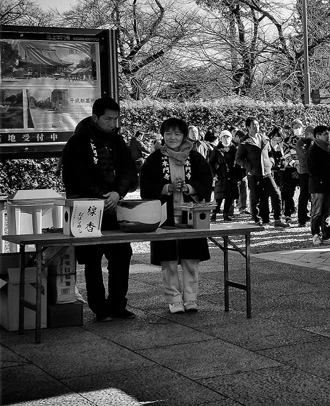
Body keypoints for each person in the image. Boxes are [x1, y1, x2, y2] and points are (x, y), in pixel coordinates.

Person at [60, 97, 139, 322]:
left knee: (122, 255)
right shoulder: (78, 142)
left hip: (115, 206)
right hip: (88, 208)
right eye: (108, 119)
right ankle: (99, 308)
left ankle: (118, 304)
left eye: (116, 119)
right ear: (95, 117)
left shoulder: (118, 141)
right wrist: (100, 196)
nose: (113, 124)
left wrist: (117, 193)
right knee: (93, 258)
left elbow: (128, 171)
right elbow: (77, 176)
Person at [140, 117, 214, 313]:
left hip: (191, 216)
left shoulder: (196, 157)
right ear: (163, 135)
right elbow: (146, 185)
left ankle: (191, 298)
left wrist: (189, 187)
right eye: (168, 133)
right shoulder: (154, 159)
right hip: (166, 217)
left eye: (177, 134)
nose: (172, 137)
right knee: (169, 260)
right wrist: (166, 188)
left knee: (191, 259)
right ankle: (173, 298)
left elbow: (206, 180)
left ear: (184, 136)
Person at [236, 117, 287, 228]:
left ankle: (278, 219)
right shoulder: (244, 142)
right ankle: (258, 220)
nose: (256, 127)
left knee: (276, 193)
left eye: (257, 124)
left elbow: (270, 153)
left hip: (267, 172)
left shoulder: (264, 138)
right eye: (254, 125)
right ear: (248, 127)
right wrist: (249, 166)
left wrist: (271, 162)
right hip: (254, 173)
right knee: (256, 198)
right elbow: (239, 159)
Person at [307, 125, 330, 246]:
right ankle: (315, 234)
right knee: (317, 211)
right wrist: (321, 180)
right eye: (325, 134)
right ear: (318, 136)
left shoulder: (328, 149)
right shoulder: (313, 149)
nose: (327, 136)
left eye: (328, 133)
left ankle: (326, 234)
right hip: (318, 186)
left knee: (327, 211)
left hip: (329, 185)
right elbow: (312, 168)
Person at [209, 130, 233, 221]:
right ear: (221, 138)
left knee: (229, 196)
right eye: (224, 137)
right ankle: (214, 213)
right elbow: (211, 163)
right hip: (220, 174)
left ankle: (226, 213)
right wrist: (214, 174)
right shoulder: (216, 149)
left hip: (231, 175)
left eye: (228, 137)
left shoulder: (233, 149)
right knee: (218, 196)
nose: (226, 139)